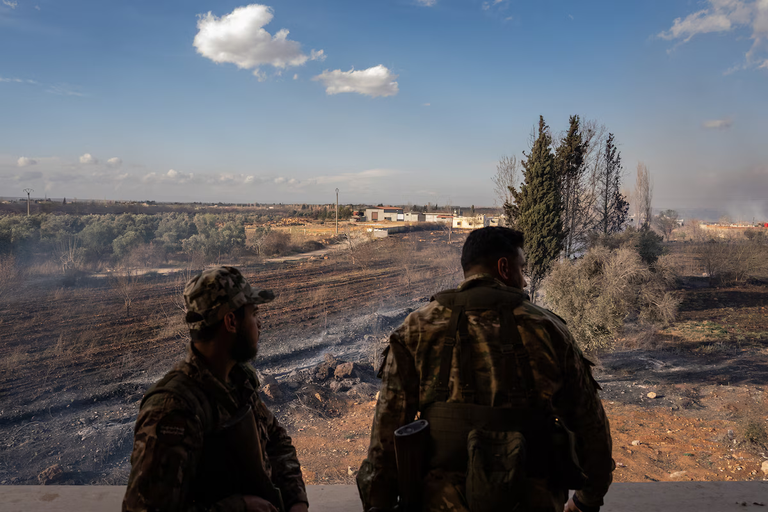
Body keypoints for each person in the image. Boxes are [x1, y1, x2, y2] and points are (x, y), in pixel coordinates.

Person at [357, 227, 614, 512]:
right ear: (505, 267)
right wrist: (586, 499)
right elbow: (590, 428)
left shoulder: (416, 328)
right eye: (522, 268)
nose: (524, 279)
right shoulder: (548, 329)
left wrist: (377, 504)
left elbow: (387, 432)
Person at [123, 266, 308, 512]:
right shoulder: (173, 408)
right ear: (231, 321)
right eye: (254, 314)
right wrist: (237, 508)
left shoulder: (237, 381)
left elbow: (276, 440)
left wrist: (296, 502)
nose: (259, 324)